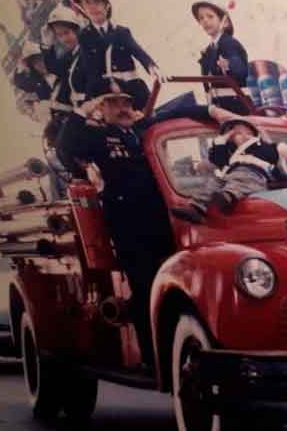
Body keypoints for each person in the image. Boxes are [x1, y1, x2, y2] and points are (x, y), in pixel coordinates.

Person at [57, 78, 230, 369]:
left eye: (126, 102)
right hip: (129, 225)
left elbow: (179, 109)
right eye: (114, 103)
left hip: (162, 221)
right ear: (102, 107)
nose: (123, 108)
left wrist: (215, 111)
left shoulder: (143, 129)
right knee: (145, 287)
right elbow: (65, 147)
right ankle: (152, 359)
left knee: (175, 284)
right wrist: (83, 110)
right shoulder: (98, 137)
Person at [169, 117, 287, 224]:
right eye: (236, 133)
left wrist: (283, 148)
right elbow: (217, 159)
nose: (243, 136)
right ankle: (196, 208)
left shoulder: (264, 147)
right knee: (213, 183)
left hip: (254, 173)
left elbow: (282, 157)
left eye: (247, 132)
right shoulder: (232, 154)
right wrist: (222, 140)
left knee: (243, 182)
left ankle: (227, 197)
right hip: (230, 175)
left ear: (255, 135)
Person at [72, 0, 162, 111]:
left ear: (106, 4)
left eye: (97, 1)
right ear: (82, 8)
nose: (92, 7)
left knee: (149, 121)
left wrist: (153, 68)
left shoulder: (121, 31)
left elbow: (138, 51)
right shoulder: (85, 36)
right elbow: (90, 71)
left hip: (133, 88)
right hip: (108, 94)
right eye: (86, 3)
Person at [192, 1, 250, 115]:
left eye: (210, 16)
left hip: (236, 108)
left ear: (225, 22)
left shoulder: (229, 43)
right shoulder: (208, 50)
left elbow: (240, 70)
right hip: (218, 107)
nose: (205, 21)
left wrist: (228, 65)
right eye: (201, 18)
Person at [12, 42, 53, 121]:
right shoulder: (40, 86)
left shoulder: (60, 67)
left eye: (40, 59)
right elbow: (20, 83)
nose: (40, 64)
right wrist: (21, 66)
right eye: (35, 63)